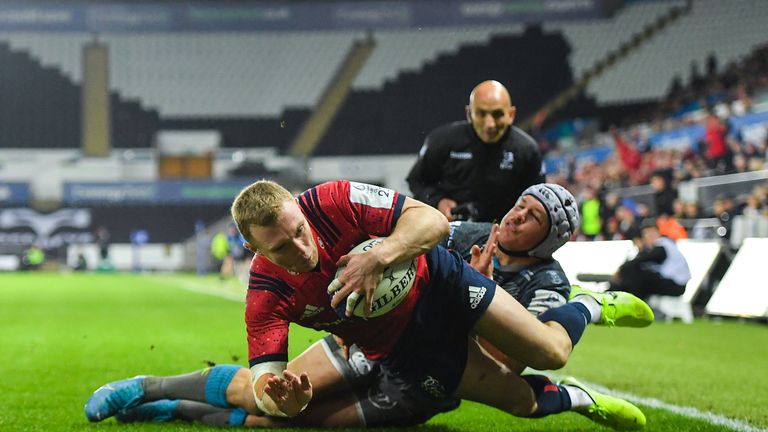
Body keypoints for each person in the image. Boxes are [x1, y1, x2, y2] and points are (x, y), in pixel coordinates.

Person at [85, 181, 652, 430]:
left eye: (300, 231)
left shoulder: (333, 200)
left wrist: (383, 254)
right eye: (280, 247)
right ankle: (157, 394)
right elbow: (267, 379)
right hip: (400, 348)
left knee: (552, 350)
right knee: (280, 419)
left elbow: (430, 219)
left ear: (301, 209)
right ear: (252, 249)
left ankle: (592, 305)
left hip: (445, 286)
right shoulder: (265, 296)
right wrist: (282, 395)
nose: (302, 248)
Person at [406, 80, 545, 223]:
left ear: (511, 114)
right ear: (469, 113)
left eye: (497, 114)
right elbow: (416, 181)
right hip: (448, 232)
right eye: (481, 114)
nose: (490, 124)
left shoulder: (527, 151)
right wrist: (438, 201)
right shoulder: (442, 141)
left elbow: (537, 200)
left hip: (504, 237)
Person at [608, 219, 691, 300]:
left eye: (652, 233)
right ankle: (615, 294)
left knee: (636, 274)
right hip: (669, 281)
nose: (649, 237)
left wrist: (623, 268)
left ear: (658, 233)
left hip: (676, 284)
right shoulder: (655, 247)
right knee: (632, 275)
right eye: (647, 234)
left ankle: (629, 301)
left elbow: (651, 257)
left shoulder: (664, 243)